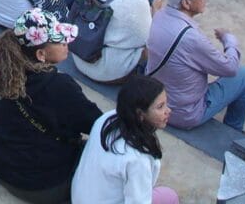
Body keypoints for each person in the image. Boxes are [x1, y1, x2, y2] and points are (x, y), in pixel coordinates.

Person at [0, 8, 101, 203]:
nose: (66, 43)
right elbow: (98, 125)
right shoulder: (60, 87)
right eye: (60, 40)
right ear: (41, 54)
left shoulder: (8, 71)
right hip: (37, 186)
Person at [145, 0, 245, 132]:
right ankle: (233, 130)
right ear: (186, 3)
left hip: (156, 99)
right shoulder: (192, 38)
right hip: (183, 113)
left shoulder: (159, 15)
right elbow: (229, 68)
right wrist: (229, 40)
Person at [72, 75, 181, 204]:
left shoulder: (107, 118)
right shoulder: (137, 159)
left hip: (80, 197)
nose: (168, 111)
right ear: (140, 114)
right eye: (160, 107)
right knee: (169, 196)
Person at [71, 0, 162, 85]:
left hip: (81, 56)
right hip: (104, 71)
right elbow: (148, 38)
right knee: (155, 45)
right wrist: (155, 11)